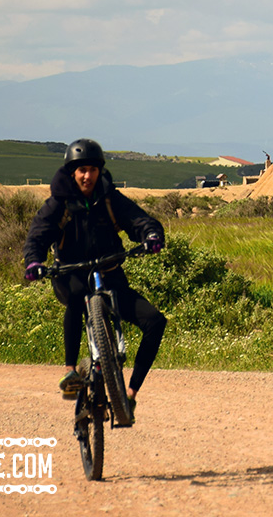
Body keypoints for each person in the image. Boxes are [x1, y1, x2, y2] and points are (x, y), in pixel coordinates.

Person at [23, 138, 168, 421]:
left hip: (110, 275)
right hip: (70, 276)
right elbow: (37, 236)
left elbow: (139, 220)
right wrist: (34, 262)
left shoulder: (110, 198)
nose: (87, 176)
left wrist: (151, 236)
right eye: (81, 170)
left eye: (92, 169)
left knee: (155, 321)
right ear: (71, 172)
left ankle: (129, 394)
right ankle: (70, 371)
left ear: (99, 171)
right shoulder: (58, 203)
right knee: (77, 298)